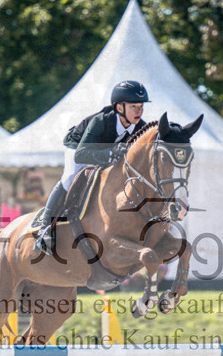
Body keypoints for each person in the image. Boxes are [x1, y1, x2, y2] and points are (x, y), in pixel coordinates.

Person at [33, 80, 148, 253]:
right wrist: (109, 153)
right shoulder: (101, 121)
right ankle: (45, 228)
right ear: (119, 108)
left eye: (141, 106)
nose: (138, 111)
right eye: (133, 106)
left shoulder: (141, 127)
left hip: (102, 152)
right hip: (78, 146)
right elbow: (82, 154)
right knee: (70, 177)